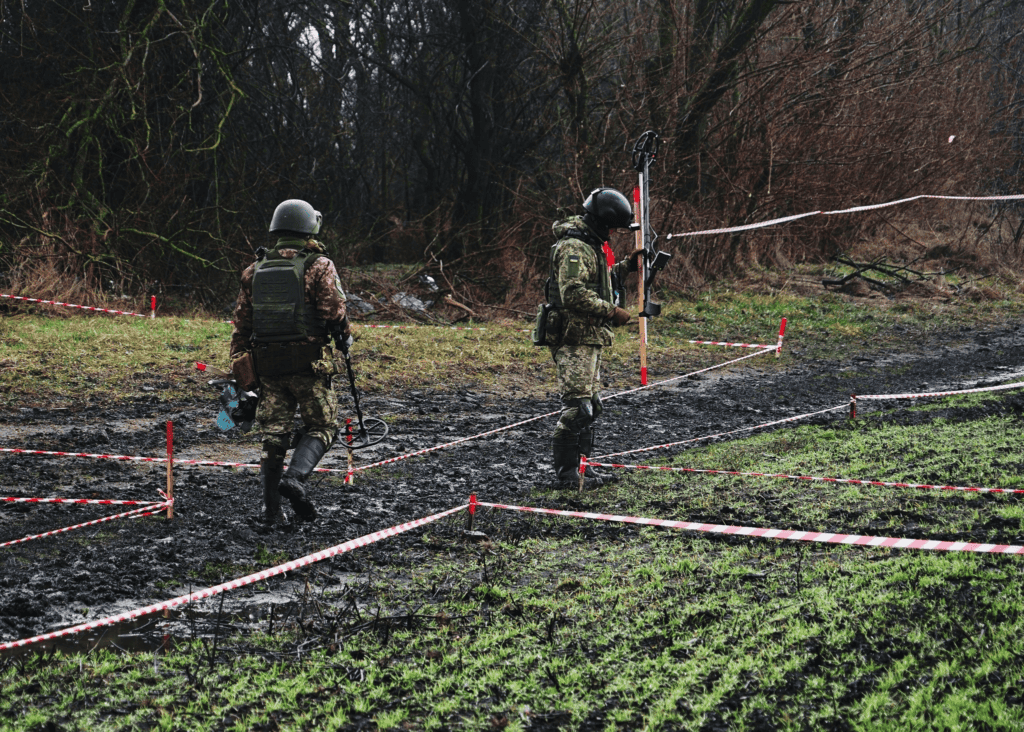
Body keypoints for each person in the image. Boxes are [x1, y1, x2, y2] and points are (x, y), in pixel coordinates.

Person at [229, 199, 352, 527]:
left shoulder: (253, 270)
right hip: (309, 365)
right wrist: (344, 338)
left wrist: (243, 377)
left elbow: (242, 327)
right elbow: (334, 312)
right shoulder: (319, 265)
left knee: (274, 435)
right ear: (309, 228)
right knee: (322, 426)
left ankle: (272, 513)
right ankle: (295, 478)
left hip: (268, 368)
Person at [546, 187, 643, 487]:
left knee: (592, 406)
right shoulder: (574, 248)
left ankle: (584, 469)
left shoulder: (594, 245)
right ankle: (567, 476)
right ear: (602, 221)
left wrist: (630, 265)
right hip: (573, 337)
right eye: (613, 227)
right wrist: (612, 312)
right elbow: (573, 293)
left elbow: (604, 281)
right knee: (578, 408)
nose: (614, 233)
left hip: (590, 336)